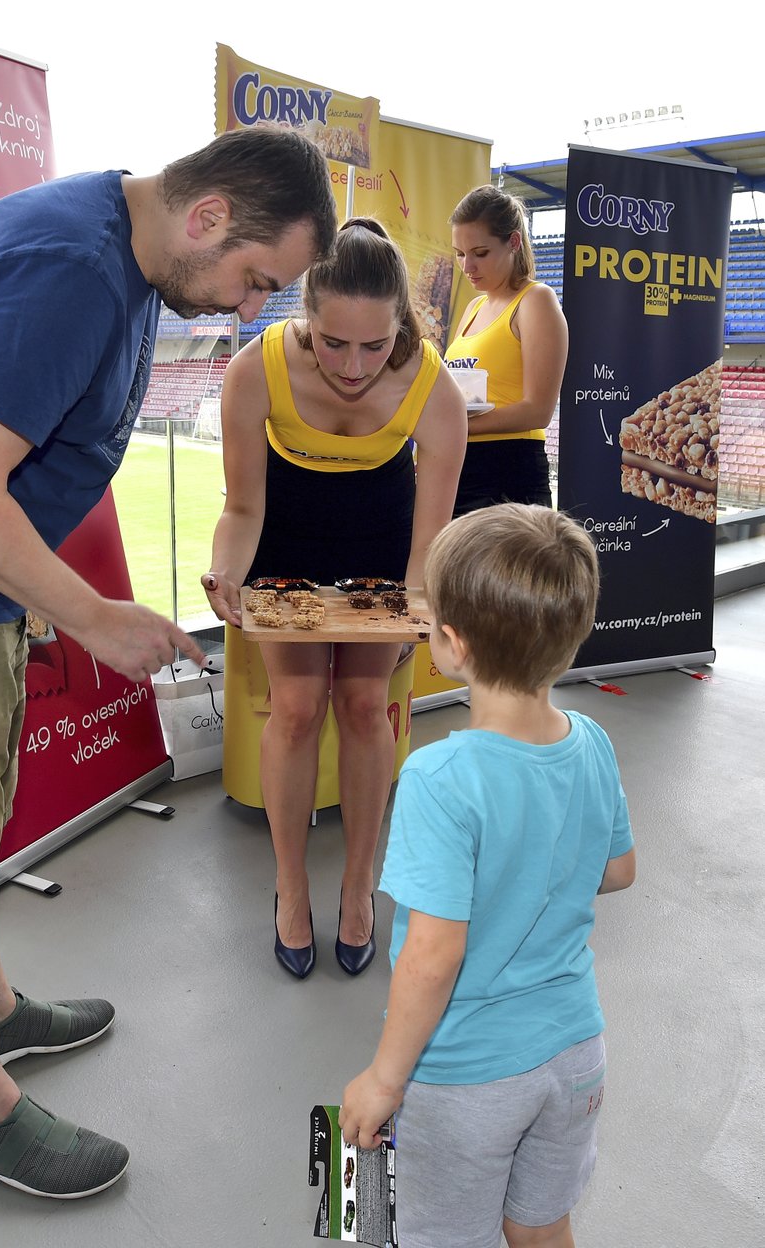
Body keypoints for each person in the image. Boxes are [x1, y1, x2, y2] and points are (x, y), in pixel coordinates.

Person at [0, 127, 337, 1201]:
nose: (247, 309)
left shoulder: (124, 250)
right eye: (254, 280)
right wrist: (90, 614)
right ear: (210, 217)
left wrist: (30, 596)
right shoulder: (73, 273)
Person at [340, 504, 636, 1248]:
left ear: (450, 644)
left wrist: (382, 1080)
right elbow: (619, 869)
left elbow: (434, 957)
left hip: (467, 1074)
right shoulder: (592, 740)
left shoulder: (440, 776)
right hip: (574, 1056)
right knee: (541, 1226)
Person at [201, 218, 467, 980]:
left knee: (361, 705)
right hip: (286, 534)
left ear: (401, 328)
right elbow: (243, 509)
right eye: (332, 343)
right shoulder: (253, 372)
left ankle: (357, 887)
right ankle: (289, 887)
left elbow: (428, 543)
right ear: (304, 316)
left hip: (379, 541)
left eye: (374, 346)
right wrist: (227, 571)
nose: (352, 366)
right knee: (292, 707)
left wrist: (423, 609)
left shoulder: (432, 388)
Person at [445, 185, 569, 516]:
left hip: (509, 471)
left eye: (480, 253)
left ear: (513, 242)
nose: (467, 266)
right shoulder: (472, 308)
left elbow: (537, 410)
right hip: (458, 468)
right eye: (459, 253)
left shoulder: (535, 300)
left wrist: (453, 425)